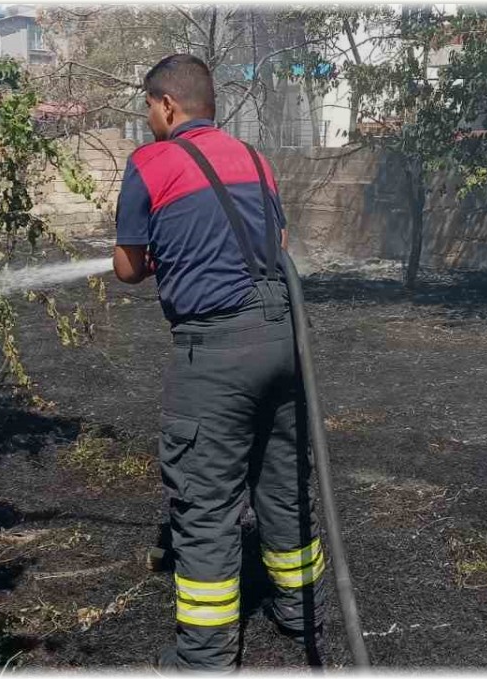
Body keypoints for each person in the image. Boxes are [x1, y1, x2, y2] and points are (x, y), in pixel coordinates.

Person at [112, 54, 327, 671]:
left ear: (168, 106)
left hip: (216, 355)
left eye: (148, 107)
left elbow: (129, 268)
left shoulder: (151, 164)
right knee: (285, 488)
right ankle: (299, 612)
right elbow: (276, 245)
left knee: (206, 508)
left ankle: (204, 659)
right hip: (286, 342)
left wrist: (169, 256)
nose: (147, 119)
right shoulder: (256, 160)